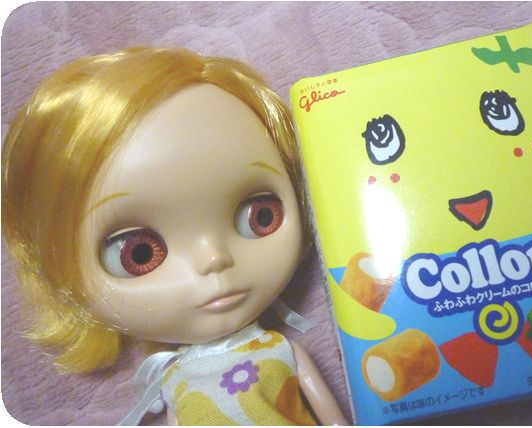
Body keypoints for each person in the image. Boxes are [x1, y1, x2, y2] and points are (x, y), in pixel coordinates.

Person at [1, 47, 347, 425]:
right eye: (139, 253)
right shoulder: (171, 380)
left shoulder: (280, 351)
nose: (214, 259)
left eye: (259, 215)